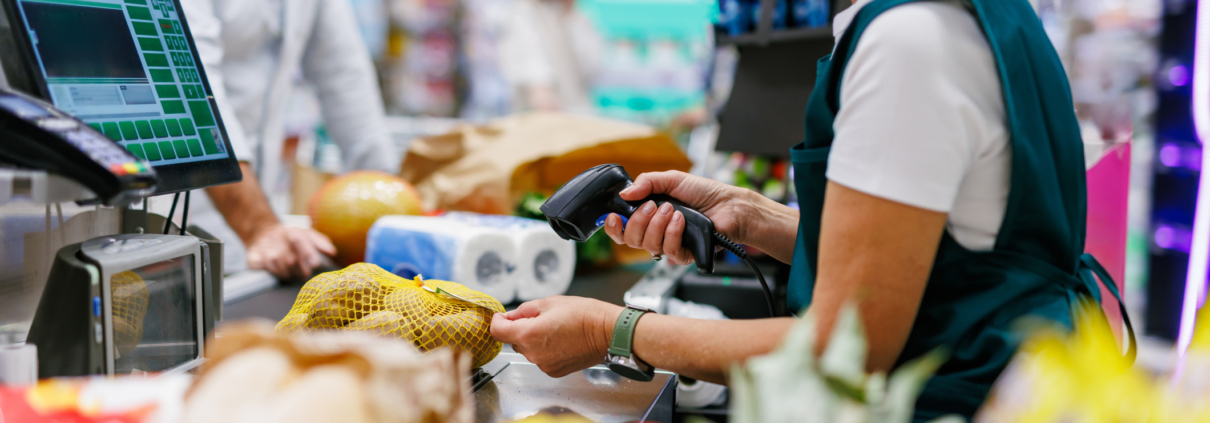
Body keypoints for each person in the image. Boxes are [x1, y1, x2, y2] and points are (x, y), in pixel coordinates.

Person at [490, 0, 1132, 420]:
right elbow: (941, 257)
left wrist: (611, 331)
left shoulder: (906, 43)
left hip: (960, 397)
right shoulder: (970, 16)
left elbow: (841, 347)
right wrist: (752, 216)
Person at [178, 0, 400, 280]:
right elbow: (189, 89)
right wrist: (259, 226)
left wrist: (392, 211)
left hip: (259, 224)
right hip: (185, 219)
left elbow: (344, 76)